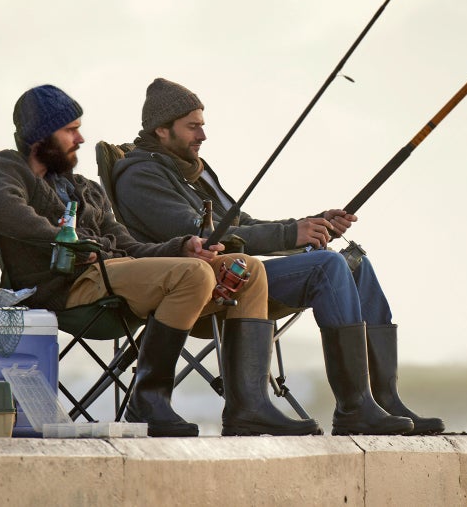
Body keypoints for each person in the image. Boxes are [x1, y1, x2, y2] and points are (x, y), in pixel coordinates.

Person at [0, 84, 319, 438]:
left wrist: (181, 246)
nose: (80, 138)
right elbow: (5, 210)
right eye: (70, 129)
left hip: (117, 275)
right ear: (41, 137)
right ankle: (148, 401)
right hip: (70, 287)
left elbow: (128, 246)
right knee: (195, 276)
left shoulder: (84, 188)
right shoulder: (7, 167)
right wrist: (69, 239)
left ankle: (249, 409)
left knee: (247, 269)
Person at [112, 78, 445, 435]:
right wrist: (290, 234)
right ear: (162, 130)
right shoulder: (140, 176)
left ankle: (383, 400)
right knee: (328, 266)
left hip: (239, 276)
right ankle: (353, 410)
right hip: (203, 289)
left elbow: (242, 224)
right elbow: (207, 236)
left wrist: (309, 226)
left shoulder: (195, 172)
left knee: (353, 263)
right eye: (193, 127)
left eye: (203, 126)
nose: (203, 136)